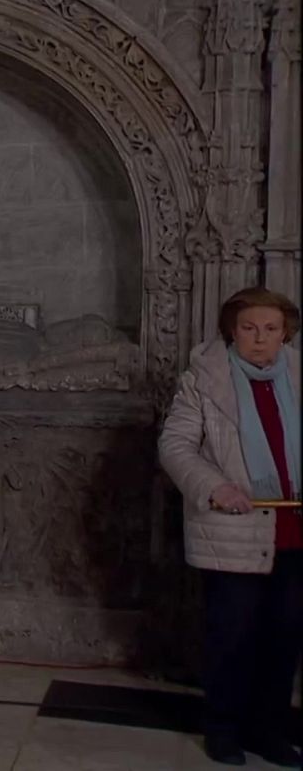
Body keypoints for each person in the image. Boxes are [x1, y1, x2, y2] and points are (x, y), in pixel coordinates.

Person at [159, 286, 301, 767]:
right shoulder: (204, 379)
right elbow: (177, 447)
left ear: (286, 332)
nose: (260, 339)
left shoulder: (300, 375)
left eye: (271, 329)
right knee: (232, 637)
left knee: (284, 638)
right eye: (249, 328)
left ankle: (269, 731)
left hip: (294, 530)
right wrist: (215, 486)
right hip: (235, 527)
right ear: (230, 331)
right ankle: (222, 729)